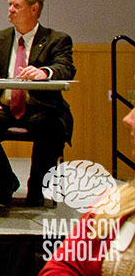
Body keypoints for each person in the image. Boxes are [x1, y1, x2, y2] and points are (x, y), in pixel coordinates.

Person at [0, 0, 75, 207]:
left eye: (17, 6)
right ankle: (6, 182)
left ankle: (36, 188)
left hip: (41, 107)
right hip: (3, 107)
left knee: (51, 127)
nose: (10, 10)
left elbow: (66, 68)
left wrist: (45, 72)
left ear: (34, 9)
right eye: (9, 5)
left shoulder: (57, 39)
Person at [38, 106, 135, 275]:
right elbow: (61, 267)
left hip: (44, 115)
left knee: (51, 128)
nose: (127, 119)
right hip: (7, 114)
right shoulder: (111, 202)